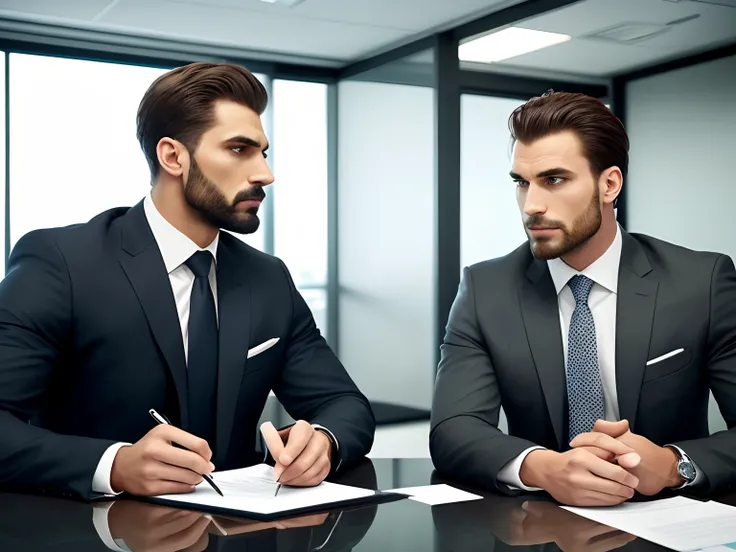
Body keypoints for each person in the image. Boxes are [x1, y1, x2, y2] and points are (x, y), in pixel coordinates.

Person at [0, 62, 375, 500]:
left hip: (239, 533)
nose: (265, 174)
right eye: (239, 150)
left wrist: (323, 441)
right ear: (173, 156)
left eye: (263, 153)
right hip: (97, 533)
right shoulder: (63, 262)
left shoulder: (268, 278)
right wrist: (114, 465)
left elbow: (346, 405)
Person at [430, 91, 736, 506]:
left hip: (670, 520)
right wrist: (543, 467)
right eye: (522, 183)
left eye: (554, 180)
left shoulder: (701, 281)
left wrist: (670, 465)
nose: (531, 205)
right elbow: (453, 428)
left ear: (609, 184)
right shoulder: (486, 289)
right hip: (540, 521)